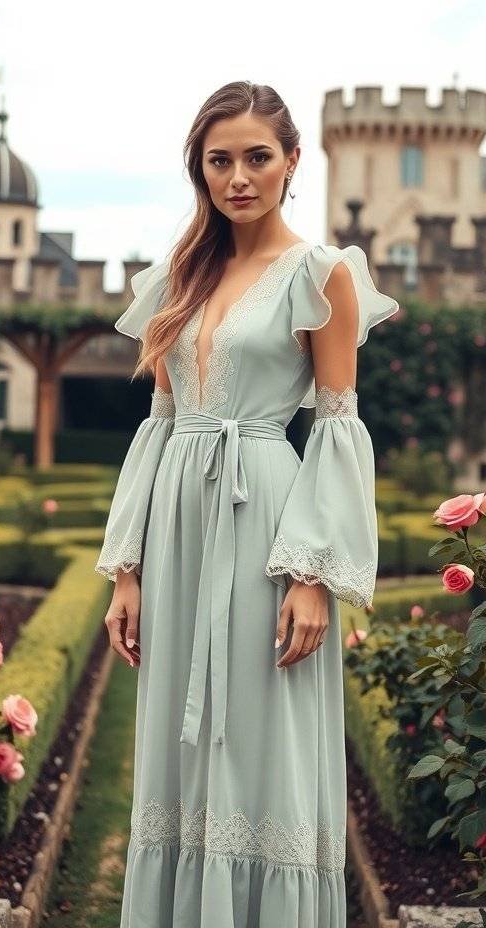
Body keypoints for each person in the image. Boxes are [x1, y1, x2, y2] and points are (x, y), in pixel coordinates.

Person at [94, 79, 400, 928]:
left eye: (256, 157)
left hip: (264, 523)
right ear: (199, 167)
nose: (238, 176)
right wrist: (127, 567)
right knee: (178, 756)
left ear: (292, 162)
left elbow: (338, 426)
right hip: (178, 526)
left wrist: (310, 575)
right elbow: (158, 425)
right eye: (218, 159)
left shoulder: (322, 273)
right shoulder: (178, 277)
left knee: (261, 740)